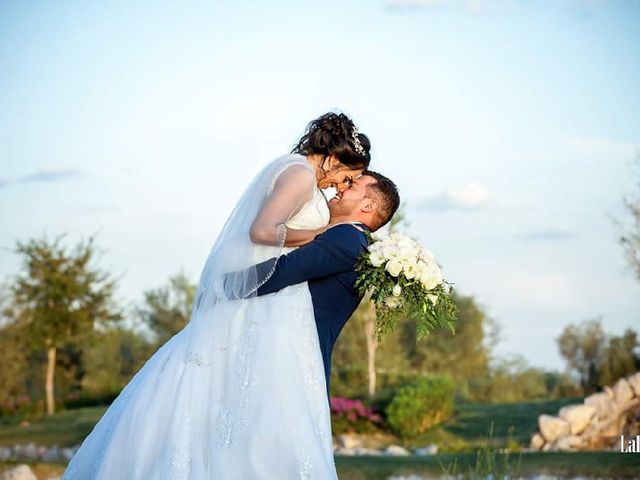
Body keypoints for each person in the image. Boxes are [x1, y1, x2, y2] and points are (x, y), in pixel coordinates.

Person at [61, 112, 373, 479]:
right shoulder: (300, 175)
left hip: (275, 307)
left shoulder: (298, 173)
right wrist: (319, 234)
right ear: (334, 158)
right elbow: (261, 231)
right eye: (347, 176)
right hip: (265, 304)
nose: (342, 185)